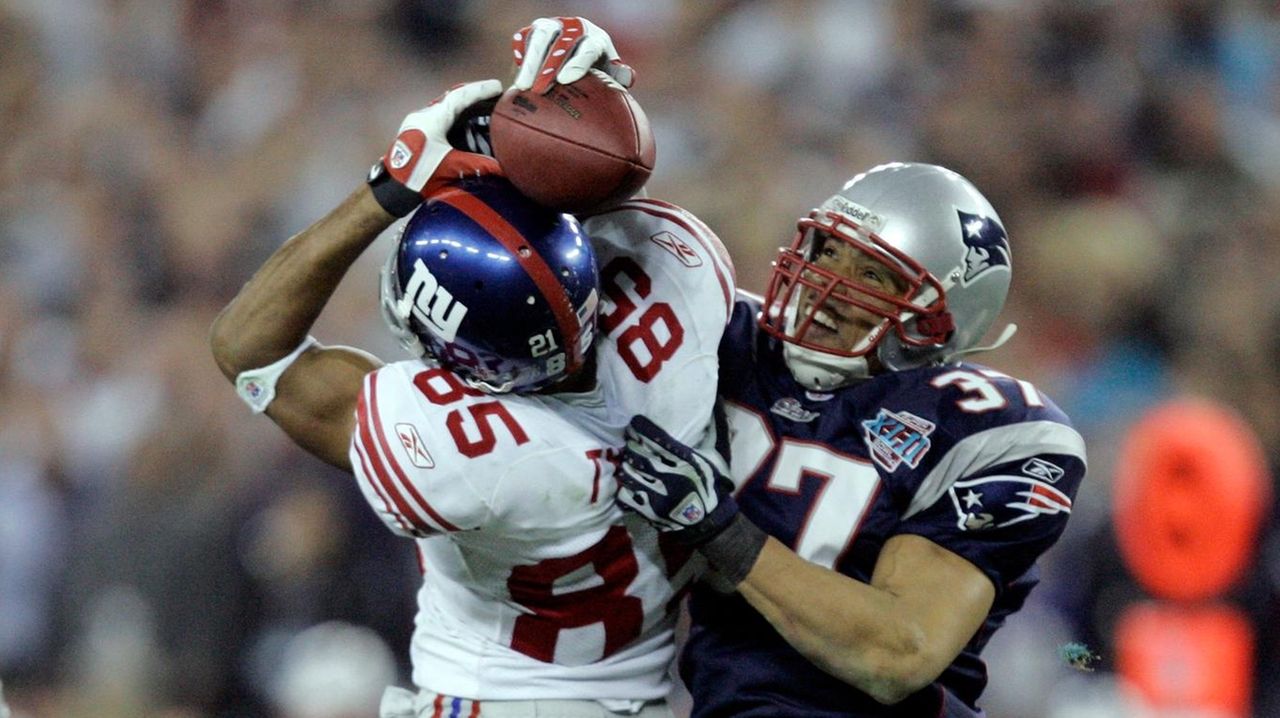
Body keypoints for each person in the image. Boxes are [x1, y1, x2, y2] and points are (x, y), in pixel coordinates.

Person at [514, 19, 1086, 717]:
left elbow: (896, 654)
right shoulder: (722, 335)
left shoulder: (988, 427)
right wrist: (525, 150)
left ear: (937, 322)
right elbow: (548, 287)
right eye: (823, 252)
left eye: (870, 273)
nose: (823, 285)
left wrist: (718, 528)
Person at [209, 65, 736, 718]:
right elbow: (595, 205)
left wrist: (390, 186)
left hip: (492, 700)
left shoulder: (480, 456)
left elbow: (247, 347)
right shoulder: (677, 293)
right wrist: (576, 107)